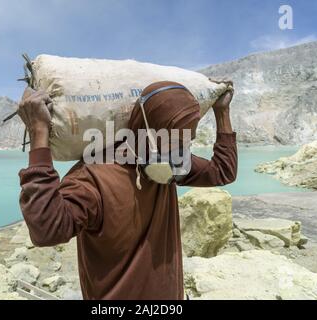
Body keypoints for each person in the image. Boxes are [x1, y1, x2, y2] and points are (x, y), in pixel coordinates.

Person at [17, 80, 237, 300]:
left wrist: (222, 112)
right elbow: (46, 231)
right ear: (148, 130)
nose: (182, 152)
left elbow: (223, 171)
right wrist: (39, 130)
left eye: (187, 142)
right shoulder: (92, 178)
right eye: (175, 141)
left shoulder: (170, 164)